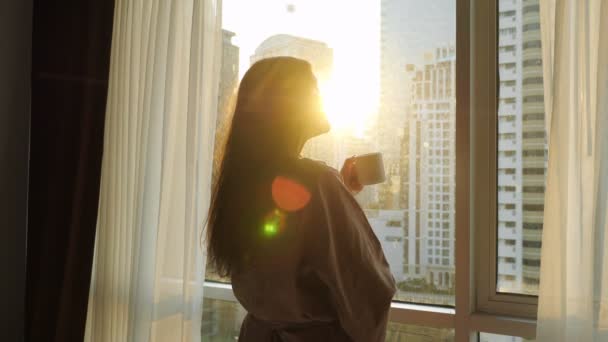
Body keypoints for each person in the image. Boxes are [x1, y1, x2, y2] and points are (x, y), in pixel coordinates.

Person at [206, 56, 396, 341]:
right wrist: (335, 197)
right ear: (289, 107)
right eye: (314, 89)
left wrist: (338, 195)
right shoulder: (317, 182)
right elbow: (368, 287)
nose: (321, 97)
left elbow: (285, 245)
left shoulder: (245, 181)